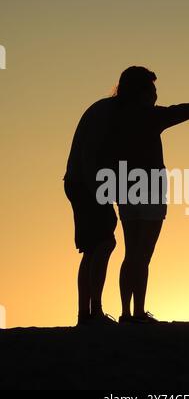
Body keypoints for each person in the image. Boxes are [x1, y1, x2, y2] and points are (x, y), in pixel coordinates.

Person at [109, 66, 189, 324]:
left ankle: (126, 312)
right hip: (149, 185)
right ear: (143, 91)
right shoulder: (148, 116)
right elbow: (176, 113)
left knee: (131, 252)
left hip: (123, 184)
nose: (156, 94)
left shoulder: (117, 117)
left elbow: (174, 112)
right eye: (153, 88)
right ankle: (137, 313)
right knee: (143, 254)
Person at [64, 96, 118, 326]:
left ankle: (85, 314)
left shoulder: (105, 108)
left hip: (81, 182)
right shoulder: (108, 112)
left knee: (93, 247)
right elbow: (90, 153)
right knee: (104, 243)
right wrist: (99, 190)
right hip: (87, 183)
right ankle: (94, 312)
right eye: (151, 93)